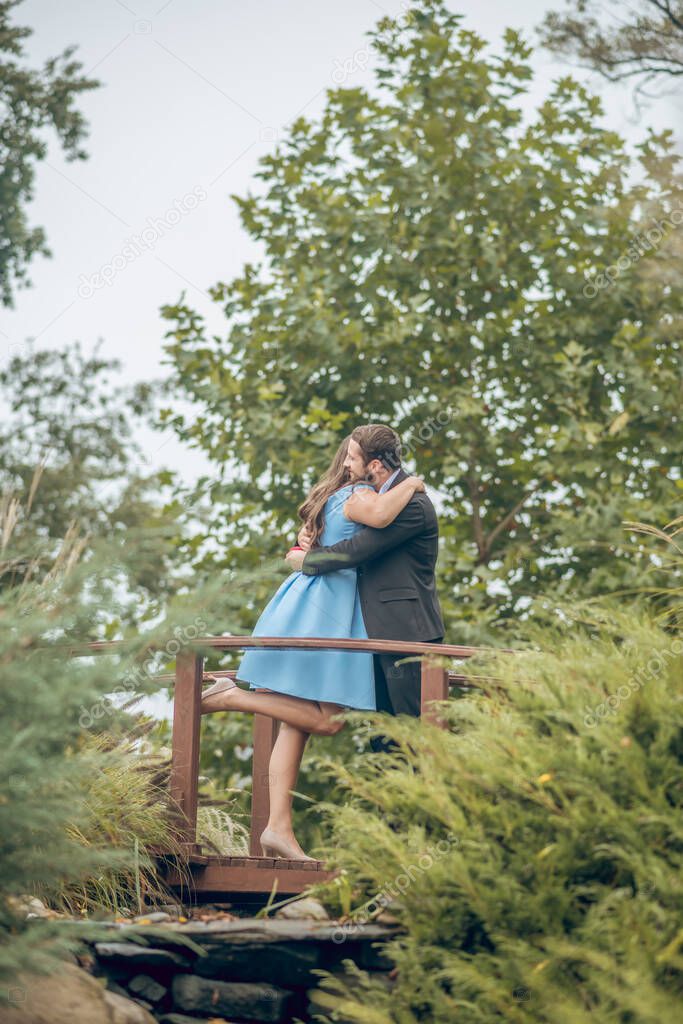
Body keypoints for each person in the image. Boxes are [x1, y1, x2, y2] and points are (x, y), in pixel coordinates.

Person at [200, 434, 425, 860]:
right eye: (354, 457)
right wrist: (411, 485)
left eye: (359, 457)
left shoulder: (334, 496)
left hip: (314, 603)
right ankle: (232, 696)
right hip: (326, 611)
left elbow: (312, 542)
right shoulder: (358, 494)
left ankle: (277, 828)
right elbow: (378, 518)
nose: (355, 463)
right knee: (329, 721)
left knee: (299, 722)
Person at [286, 424, 444, 754]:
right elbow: (341, 530)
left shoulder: (411, 505)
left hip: (406, 635)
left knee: (412, 736)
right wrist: (307, 536)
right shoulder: (376, 499)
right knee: (384, 740)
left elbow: (357, 549)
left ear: (374, 465)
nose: (345, 463)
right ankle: (388, 804)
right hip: (374, 635)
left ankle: (422, 804)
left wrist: (307, 560)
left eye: (353, 457)